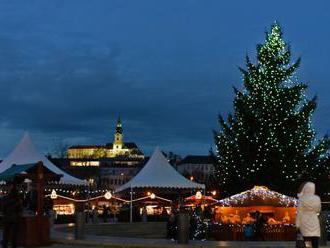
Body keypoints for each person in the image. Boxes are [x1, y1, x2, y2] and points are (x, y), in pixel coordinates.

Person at [296, 182, 321, 248]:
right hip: (314, 220)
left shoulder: (302, 199)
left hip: (305, 221)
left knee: (307, 242)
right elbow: (318, 210)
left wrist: (297, 224)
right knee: (315, 241)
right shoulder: (317, 198)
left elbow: (299, 212)